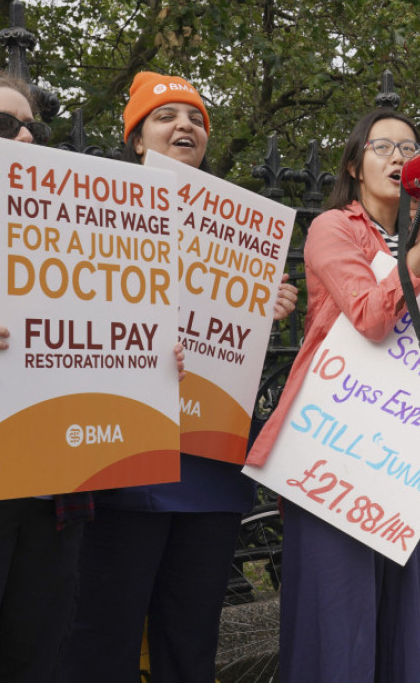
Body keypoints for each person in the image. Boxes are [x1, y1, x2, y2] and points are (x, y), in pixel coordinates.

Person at [61, 72, 296, 682]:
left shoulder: (240, 234)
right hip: (123, 469)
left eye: (195, 118)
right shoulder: (98, 211)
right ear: (136, 140)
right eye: (165, 117)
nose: (184, 126)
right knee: (101, 644)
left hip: (210, 474)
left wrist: (259, 304)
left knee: (191, 644)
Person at [244, 108, 420, 682]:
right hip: (332, 444)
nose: (396, 156)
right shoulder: (334, 227)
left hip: (402, 451)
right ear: (355, 166)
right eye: (382, 146)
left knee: (400, 611)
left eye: (408, 147)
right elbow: (369, 316)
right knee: (338, 613)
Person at [0, 70, 90, 682]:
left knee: (31, 663)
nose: (22, 135)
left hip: (56, 495)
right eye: (0, 123)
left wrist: (151, 359)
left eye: (31, 126)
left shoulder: (78, 244)